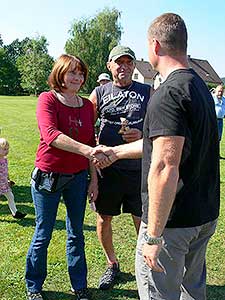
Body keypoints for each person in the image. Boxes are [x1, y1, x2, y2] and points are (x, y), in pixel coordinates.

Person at [94, 13, 220, 300]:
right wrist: (115, 152)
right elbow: (163, 145)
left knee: (159, 293)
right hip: (203, 215)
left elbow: (164, 165)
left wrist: (153, 236)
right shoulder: (199, 86)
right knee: (192, 290)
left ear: (155, 46)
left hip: (173, 224)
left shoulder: (168, 93)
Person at [25, 54, 104, 300]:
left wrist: (94, 179)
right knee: (43, 233)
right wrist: (88, 151)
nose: (77, 78)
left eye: (81, 74)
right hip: (48, 177)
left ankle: (79, 285)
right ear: (60, 73)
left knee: (76, 233)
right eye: (72, 72)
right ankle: (34, 286)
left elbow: (91, 141)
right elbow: (51, 134)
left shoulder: (87, 106)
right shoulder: (47, 99)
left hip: (78, 178)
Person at [89, 45, 151, 290]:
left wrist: (141, 132)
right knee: (104, 218)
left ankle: (145, 265)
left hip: (139, 170)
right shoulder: (99, 92)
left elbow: (162, 125)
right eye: (119, 62)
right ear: (109, 66)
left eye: (128, 62)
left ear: (134, 66)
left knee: (143, 221)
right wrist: (92, 175)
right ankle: (112, 264)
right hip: (108, 170)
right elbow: (86, 133)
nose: (123, 67)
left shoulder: (148, 91)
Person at [0, 137, 27, 219]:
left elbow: (6, 171)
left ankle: (15, 213)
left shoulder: (5, 160)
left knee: (10, 196)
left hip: (4, 184)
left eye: (7, 149)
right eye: (4, 149)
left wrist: (8, 180)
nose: (7, 151)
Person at [213, 84, 225, 152]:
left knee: (219, 138)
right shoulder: (212, 98)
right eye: (219, 91)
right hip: (213, 120)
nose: (220, 93)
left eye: (222, 91)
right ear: (216, 91)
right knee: (212, 137)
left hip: (220, 121)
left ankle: (216, 152)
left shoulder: (224, 99)